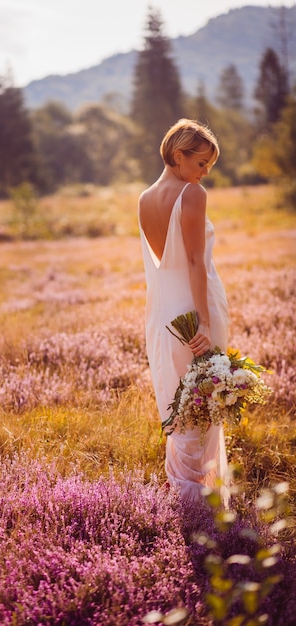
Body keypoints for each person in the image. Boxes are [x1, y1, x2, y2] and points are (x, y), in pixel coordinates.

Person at [138, 118, 229, 505]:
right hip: (193, 311)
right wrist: (205, 320)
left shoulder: (144, 198)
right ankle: (204, 509)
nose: (206, 173)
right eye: (201, 163)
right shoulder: (192, 194)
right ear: (179, 155)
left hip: (162, 315)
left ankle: (183, 501)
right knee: (204, 406)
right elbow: (194, 262)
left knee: (179, 407)